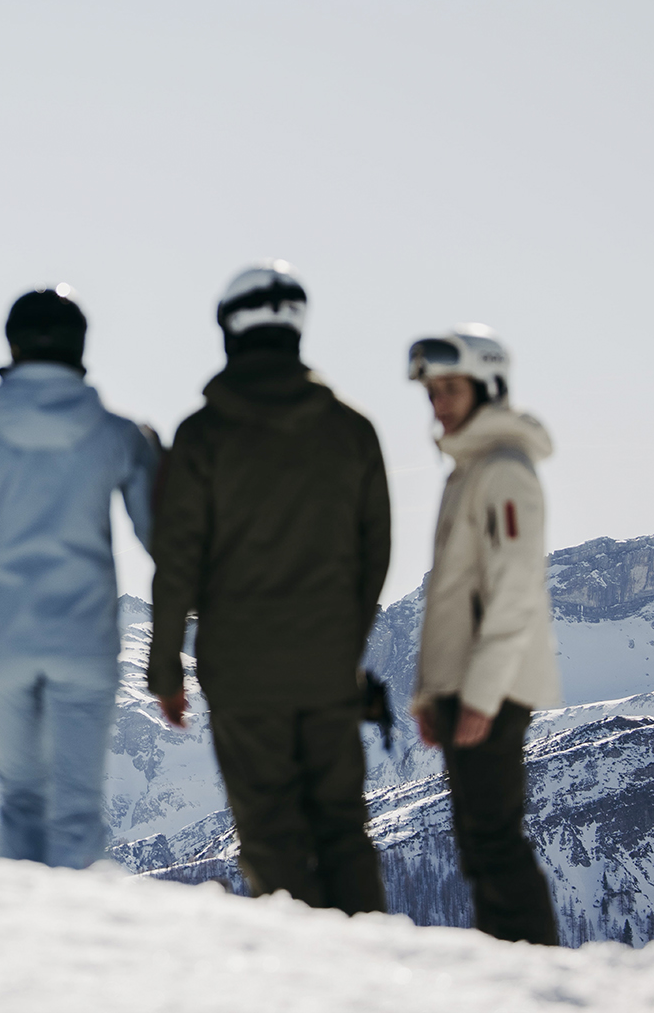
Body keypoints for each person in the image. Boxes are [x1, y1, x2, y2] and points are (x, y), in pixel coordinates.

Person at [147, 260, 390, 914]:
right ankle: (373, 973)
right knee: (342, 827)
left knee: (271, 834)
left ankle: (307, 981)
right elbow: (376, 554)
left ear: (230, 331)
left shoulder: (203, 435)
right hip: (327, 664)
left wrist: (166, 666)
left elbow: (177, 563)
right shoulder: (352, 430)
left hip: (241, 666)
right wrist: (345, 638)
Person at [0, 286, 159, 868]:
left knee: (22, 796)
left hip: (3, 636)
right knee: (78, 806)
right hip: (84, 636)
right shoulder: (118, 434)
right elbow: (159, 535)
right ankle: (74, 942)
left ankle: (23, 937)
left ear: (12, 346)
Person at [406, 325, 562, 945]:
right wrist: (431, 692)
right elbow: (453, 599)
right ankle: (513, 968)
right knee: (477, 841)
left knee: (494, 839)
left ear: (487, 386)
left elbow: (515, 588)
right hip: (464, 686)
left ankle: (539, 975)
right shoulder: (470, 470)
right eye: (431, 391)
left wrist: (480, 693)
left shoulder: (504, 473)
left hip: (488, 689)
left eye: (450, 388)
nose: (437, 403)